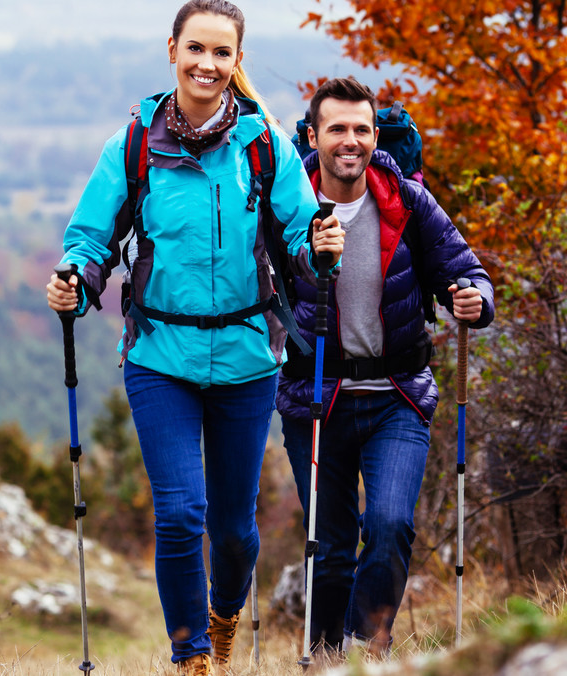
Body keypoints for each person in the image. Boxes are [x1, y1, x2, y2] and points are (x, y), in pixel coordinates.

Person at [45, 2, 343, 673]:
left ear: (238, 63)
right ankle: (193, 659)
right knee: (181, 514)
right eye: (196, 50)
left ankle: (224, 614)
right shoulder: (134, 144)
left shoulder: (262, 141)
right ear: (172, 49)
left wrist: (320, 248)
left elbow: (300, 234)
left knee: (234, 533)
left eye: (222, 53)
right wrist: (76, 280)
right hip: (160, 357)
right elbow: (92, 235)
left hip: (246, 356)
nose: (208, 64)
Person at [276, 76, 495, 657]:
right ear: (315, 137)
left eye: (362, 129)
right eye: (337, 129)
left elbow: (465, 269)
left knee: (392, 526)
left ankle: (366, 652)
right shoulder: (288, 205)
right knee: (329, 546)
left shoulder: (407, 200)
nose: (351, 140)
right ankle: (323, 661)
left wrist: (473, 298)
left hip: (396, 394)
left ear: (376, 136)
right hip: (313, 398)